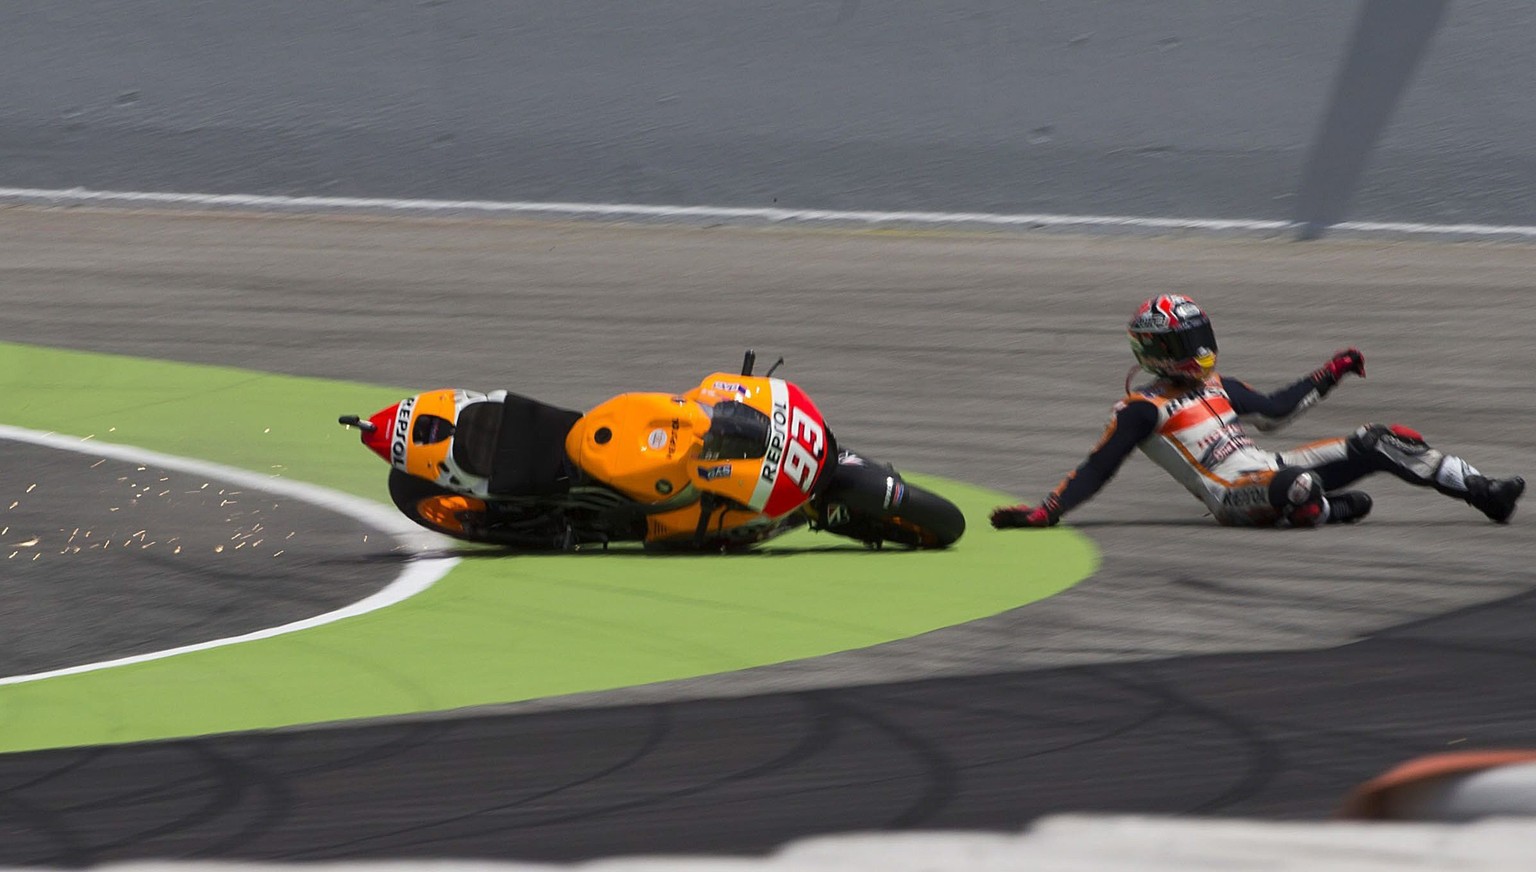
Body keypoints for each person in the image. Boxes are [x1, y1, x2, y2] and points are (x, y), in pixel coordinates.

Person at [991, 294, 1525, 530]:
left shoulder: (1220, 384)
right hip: (1230, 496)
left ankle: (1484, 493)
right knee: (1296, 487)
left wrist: (1330, 371)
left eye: (1202, 337)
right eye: (1187, 341)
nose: (1201, 351)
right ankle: (1325, 509)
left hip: (1273, 464)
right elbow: (1097, 467)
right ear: (1155, 351)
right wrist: (1047, 510)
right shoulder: (1140, 408)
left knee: (1380, 440)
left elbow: (1274, 413)